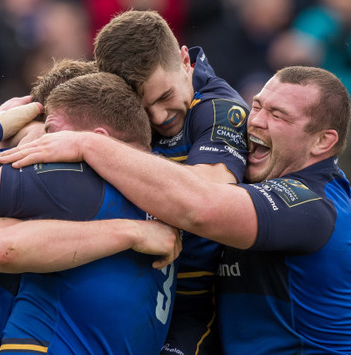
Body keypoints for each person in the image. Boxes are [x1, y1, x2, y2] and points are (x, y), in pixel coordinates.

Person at [0, 65, 351, 353]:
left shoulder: (311, 203)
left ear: (323, 142)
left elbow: (200, 207)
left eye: (279, 115)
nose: (256, 120)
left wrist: (88, 146)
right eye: (256, 104)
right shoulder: (263, 177)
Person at [0, 70, 181, 354]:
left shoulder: (72, 179)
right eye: (45, 130)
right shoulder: (166, 188)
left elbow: (2, 246)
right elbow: (0, 246)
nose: (45, 144)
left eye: (51, 131)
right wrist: (132, 233)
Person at [92, 10, 249, 354]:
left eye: (164, 98)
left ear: (184, 59)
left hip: (195, 311)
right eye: (143, 110)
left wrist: (92, 148)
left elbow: (205, 197)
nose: (160, 118)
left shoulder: (220, 110)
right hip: (126, 294)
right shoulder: (114, 108)